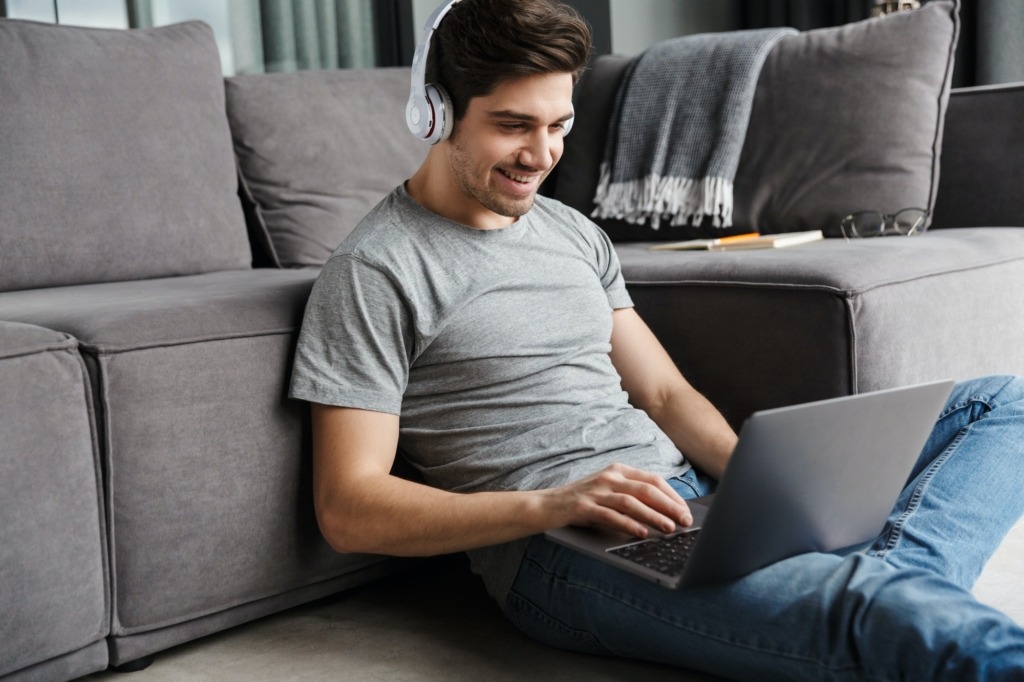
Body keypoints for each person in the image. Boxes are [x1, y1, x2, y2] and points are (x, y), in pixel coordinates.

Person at [288, 0, 1024, 678]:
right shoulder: (374, 270)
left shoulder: (570, 231)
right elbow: (349, 508)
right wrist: (553, 505)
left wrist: (771, 494)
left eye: (559, 125)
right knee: (895, 623)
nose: (542, 154)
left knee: (1004, 403)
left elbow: (665, 392)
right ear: (435, 112)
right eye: (513, 125)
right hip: (563, 551)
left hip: (692, 503)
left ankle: (875, 582)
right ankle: (875, 596)